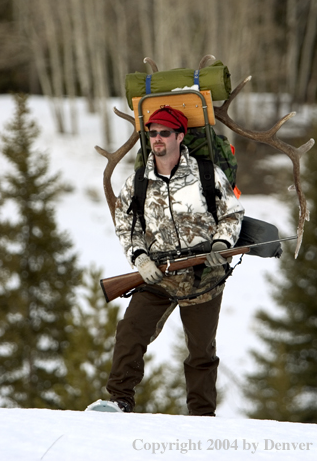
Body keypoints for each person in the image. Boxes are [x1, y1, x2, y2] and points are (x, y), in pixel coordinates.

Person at [98, 106, 244, 415]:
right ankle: (118, 401)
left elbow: (232, 214)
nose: (157, 139)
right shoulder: (137, 182)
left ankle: (202, 416)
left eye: (165, 133)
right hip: (157, 276)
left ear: (180, 136)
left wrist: (221, 243)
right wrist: (139, 259)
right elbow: (126, 226)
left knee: (201, 351)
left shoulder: (207, 174)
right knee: (130, 333)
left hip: (205, 276)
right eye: (152, 133)